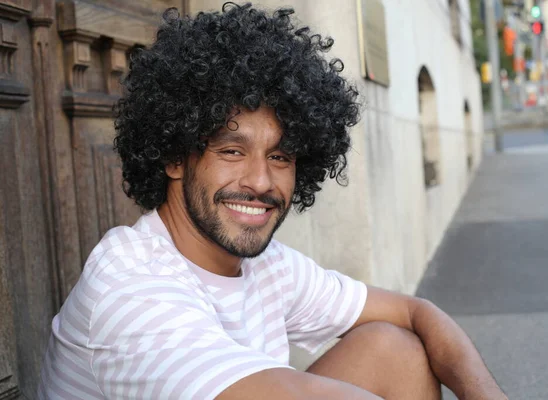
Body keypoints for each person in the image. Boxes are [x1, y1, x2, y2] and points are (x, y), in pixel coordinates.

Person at [39, 3, 507, 399]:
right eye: (231, 151)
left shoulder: (269, 267)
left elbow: (416, 312)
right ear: (175, 157)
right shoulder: (129, 285)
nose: (261, 181)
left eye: (280, 155)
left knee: (395, 348)